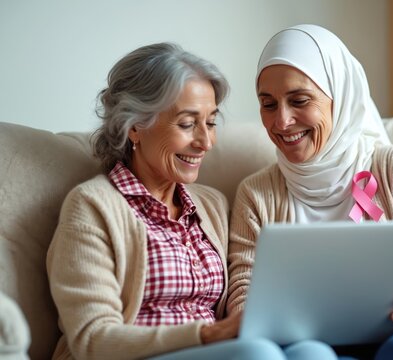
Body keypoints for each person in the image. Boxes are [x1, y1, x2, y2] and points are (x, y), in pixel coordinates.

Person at [46, 42, 337, 360]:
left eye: (211, 123)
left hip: (220, 352)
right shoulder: (92, 207)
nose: (206, 142)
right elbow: (92, 340)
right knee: (257, 355)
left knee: (313, 352)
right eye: (187, 124)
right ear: (134, 127)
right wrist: (208, 334)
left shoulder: (210, 205)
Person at [226, 25, 393, 359]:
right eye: (268, 104)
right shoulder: (256, 194)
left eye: (299, 100)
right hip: (314, 349)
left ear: (340, 97)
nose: (281, 121)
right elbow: (243, 296)